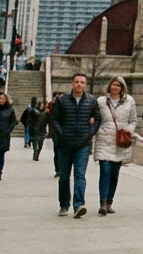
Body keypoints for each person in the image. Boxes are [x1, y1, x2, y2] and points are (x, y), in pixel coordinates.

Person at [52, 73, 101, 218]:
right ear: (72, 83)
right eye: (77, 82)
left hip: (82, 144)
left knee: (80, 175)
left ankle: (79, 205)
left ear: (85, 85)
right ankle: (64, 204)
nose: (79, 84)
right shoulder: (62, 100)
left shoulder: (91, 101)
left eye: (82, 82)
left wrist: (90, 133)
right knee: (64, 176)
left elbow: (97, 119)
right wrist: (61, 133)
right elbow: (53, 119)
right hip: (64, 144)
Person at [94, 76, 137, 217]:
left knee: (114, 173)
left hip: (120, 142)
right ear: (109, 86)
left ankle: (109, 201)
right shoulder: (101, 101)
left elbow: (133, 120)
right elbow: (95, 118)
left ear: (122, 88)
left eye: (118, 85)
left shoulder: (129, 101)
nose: (115, 87)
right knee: (105, 171)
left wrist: (128, 131)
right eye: (113, 84)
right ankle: (103, 202)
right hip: (104, 140)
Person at [34, 97, 51, 162]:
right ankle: (35, 154)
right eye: (40, 105)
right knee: (36, 143)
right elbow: (38, 116)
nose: (41, 107)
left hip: (42, 130)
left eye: (42, 106)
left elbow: (47, 121)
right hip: (36, 129)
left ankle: (37, 154)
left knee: (40, 144)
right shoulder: (35, 111)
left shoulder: (45, 113)